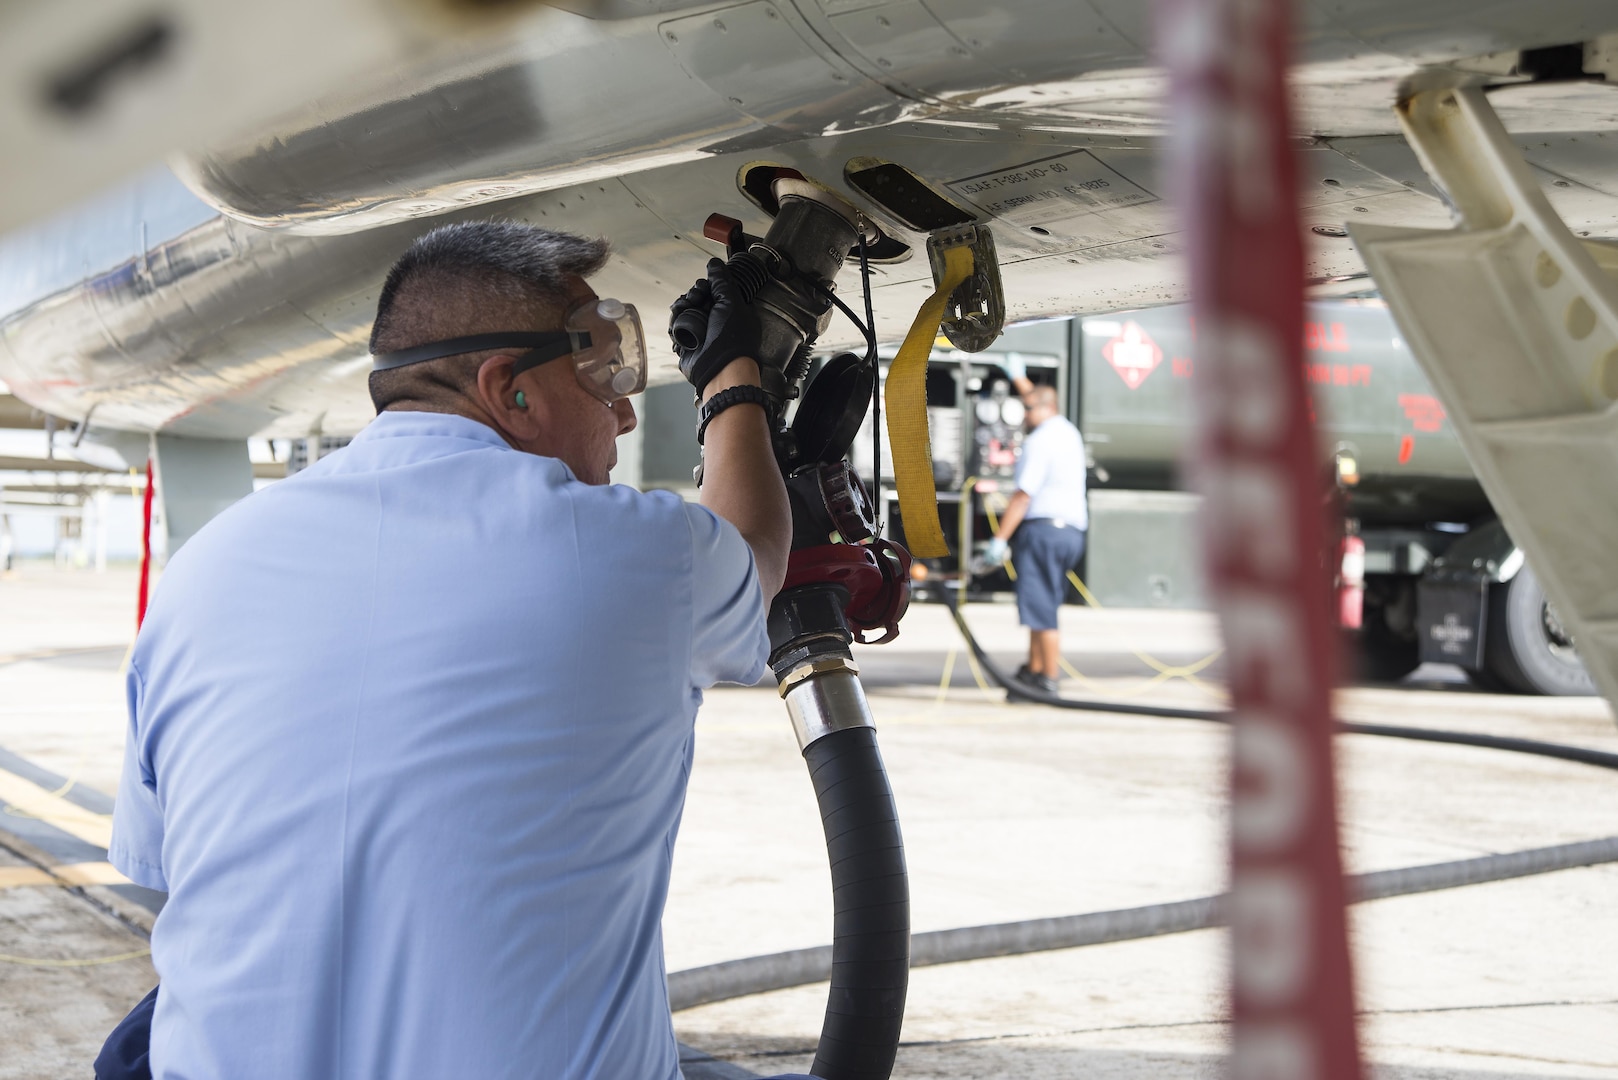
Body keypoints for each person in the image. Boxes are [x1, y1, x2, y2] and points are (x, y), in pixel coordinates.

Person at [103, 222, 799, 1079]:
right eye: (602, 372)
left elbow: (167, 867)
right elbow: (758, 551)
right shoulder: (621, 549)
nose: (622, 407)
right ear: (509, 389)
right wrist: (735, 381)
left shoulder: (202, 567)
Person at [983, 357, 1088, 696]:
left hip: (1042, 530)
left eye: (1027, 411)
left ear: (1043, 409)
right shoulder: (1066, 431)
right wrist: (1020, 379)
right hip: (1070, 531)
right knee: (1041, 601)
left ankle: (1048, 679)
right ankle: (1034, 669)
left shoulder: (1041, 440)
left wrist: (999, 539)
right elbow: (1040, 397)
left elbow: (1022, 495)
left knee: (1040, 605)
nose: (1024, 417)